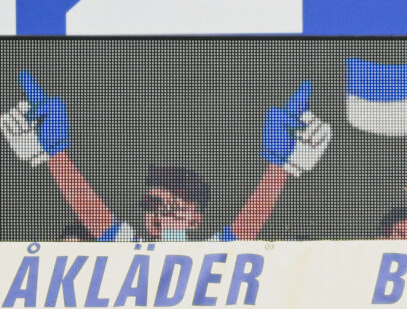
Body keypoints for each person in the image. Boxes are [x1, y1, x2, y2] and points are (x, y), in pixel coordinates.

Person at [1, 71, 331, 241]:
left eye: (171, 207)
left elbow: (246, 228)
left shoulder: (211, 252)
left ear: (196, 219)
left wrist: (280, 166)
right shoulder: (132, 250)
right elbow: (95, 217)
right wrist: (55, 155)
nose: (158, 215)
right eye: (152, 205)